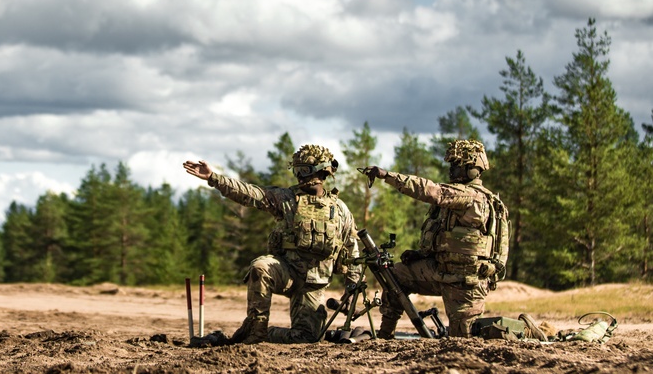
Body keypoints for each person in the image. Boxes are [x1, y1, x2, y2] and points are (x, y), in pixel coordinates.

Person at [183, 144, 362, 344]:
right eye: (296, 170)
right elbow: (252, 194)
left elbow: (352, 250)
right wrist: (214, 179)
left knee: (308, 338)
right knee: (261, 267)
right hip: (287, 272)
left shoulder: (340, 210)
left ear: (322, 171)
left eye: (304, 170)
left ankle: (261, 333)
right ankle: (255, 333)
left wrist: (352, 288)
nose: (299, 176)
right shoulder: (286, 199)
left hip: (314, 285)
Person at [359, 139, 508, 338]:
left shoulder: (472, 197)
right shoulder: (459, 196)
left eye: (456, 165)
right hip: (439, 270)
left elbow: (429, 190)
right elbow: (448, 237)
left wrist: (387, 175)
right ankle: (385, 335)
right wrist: (420, 254)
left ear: (472, 168)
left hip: (465, 281)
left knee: (464, 339)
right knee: (395, 276)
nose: (451, 170)